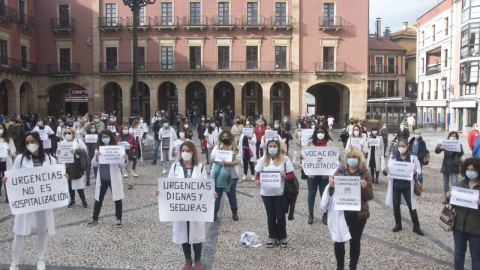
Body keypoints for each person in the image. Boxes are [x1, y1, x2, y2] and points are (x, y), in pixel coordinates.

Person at [2, 131, 60, 270]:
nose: (30, 145)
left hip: (43, 201)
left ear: (38, 142)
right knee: (19, 231)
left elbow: (55, 178)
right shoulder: (20, 159)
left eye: (32, 142)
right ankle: (14, 263)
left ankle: (41, 259)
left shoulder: (50, 159)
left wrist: (62, 176)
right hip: (26, 200)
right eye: (27, 142)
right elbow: (14, 176)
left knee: (42, 229)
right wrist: (7, 180)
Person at [157, 141, 216, 270]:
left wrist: (211, 194)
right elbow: (169, 184)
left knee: (196, 234)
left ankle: (198, 260)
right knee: (183, 233)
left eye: (188, 151)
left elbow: (205, 184)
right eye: (183, 150)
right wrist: (161, 192)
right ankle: (188, 260)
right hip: (181, 206)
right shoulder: (175, 167)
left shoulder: (199, 167)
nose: (185, 153)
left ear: (193, 152)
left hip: (196, 206)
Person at [321, 146, 373, 270]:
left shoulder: (365, 172)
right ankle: (340, 266)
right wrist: (332, 186)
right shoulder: (340, 171)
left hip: (359, 213)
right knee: (339, 240)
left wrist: (365, 187)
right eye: (349, 157)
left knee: (355, 241)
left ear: (359, 159)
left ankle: (353, 266)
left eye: (354, 157)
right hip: (341, 211)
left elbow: (369, 196)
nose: (352, 159)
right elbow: (331, 192)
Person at [255, 138, 295, 247]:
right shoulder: (263, 160)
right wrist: (257, 180)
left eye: (274, 146)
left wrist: (285, 176)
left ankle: (282, 237)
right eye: (270, 146)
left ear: (278, 147)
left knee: (280, 215)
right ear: (267, 148)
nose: (272, 148)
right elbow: (258, 174)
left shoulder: (284, 159)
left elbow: (291, 174)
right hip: (266, 193)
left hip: (280, 192)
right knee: (270, 215)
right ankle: (272, 237)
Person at [445, 157, 480, 270]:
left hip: (476, 228)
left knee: (476, 257)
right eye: (468, 169)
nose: (470, 172)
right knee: (459, 253)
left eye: (473, 169)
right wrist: (447, 197)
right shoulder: (461, 184)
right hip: (459, 226)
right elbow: (452, 203)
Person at [87, 130, 127, 228]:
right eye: (103, 137)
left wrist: (125, 159)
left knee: (117, 198)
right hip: (102, 178)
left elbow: (121, 165)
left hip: (113, 178)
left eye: (107, 136)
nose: (105, 138)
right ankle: (94, 217)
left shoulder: (117, 149)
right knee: (98, 198)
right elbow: (94, 164)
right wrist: (96, 157)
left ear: (111, 137)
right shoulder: (99, 149)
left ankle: (118, 218)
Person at [384, 139, 424, 236]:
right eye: (400, 145)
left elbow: (419, 169)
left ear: (407, 146)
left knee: (412, 206)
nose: (401, 147)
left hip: (407, 185)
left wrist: (416, 172)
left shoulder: (413, 157)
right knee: (396, 205)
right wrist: (386, 170)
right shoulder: (393, 157)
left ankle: (416, 226)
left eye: (403, 145)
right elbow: (388, 171)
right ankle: (398, 224)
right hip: (396, 185)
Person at [303, 126, 337, 225]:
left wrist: (336, 158)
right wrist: (303, 156)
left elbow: (334, 156)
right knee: (311, 194)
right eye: (318, 132)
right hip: (312, 174)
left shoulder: (330, 143)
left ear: (325, 133)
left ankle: (325, 214)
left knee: (324, 195)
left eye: (322, 132)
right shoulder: (310, 143)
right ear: (315, 133)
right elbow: (304, 154)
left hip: (325, 175)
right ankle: (310, 213)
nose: (320, 134)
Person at [211, 130, 241, 221]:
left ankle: (234, 212)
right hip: (220, 173)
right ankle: (215, 212)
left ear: (230, 137)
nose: (225, 138)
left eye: (227, 136)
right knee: (218, 193)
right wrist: (219, 161)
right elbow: (212, 158)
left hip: (231, 174)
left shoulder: (235, 147)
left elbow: (238, 159)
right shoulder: (218, 147)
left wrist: (230, 163)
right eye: (223, 136)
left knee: (231, 194)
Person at [58, 127, 88, 208]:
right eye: (66, 133)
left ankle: (83, 200)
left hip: (77, 165)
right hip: (67, 165)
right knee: (70, 184)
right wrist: (58, 153)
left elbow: (85, 152)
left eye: (69, 133)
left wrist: (76, 152)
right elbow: (59, 156)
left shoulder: (78, 142)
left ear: (73, 134)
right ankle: (72, 200)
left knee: (79, 185)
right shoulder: (62, 143)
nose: (67, 135)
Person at [435, 131, 464, 204]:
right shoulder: (445, 143)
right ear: (449, 137)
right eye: (452, 136)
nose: (453, 137)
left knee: (454, 182)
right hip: (446, 165)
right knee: (445, 183)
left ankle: (454, 197)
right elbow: (437, 152)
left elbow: (461, 153)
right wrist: (438, 147)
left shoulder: (459, 144)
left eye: (455, 136)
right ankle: (446, 197)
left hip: (454, 165)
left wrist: (457, 147)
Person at [117, 125, 138, 190]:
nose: (125, 130)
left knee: (129, 169)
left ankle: (130, 183)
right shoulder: (118, 137)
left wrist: (131, 145)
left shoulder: (131, 137)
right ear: (122, 130)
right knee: (120, 169)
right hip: (121, 155)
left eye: (126, 129)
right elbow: (115, 144)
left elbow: (136, 145)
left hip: (129, 154)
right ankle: (118, 183)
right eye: (124, 129)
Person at [0, 123, 15, 201]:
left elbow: (13, 151)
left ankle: (8, 196)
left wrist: (9, 150)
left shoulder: (9, 139)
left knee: (6, 178)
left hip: (6, 161)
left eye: (1, 128)